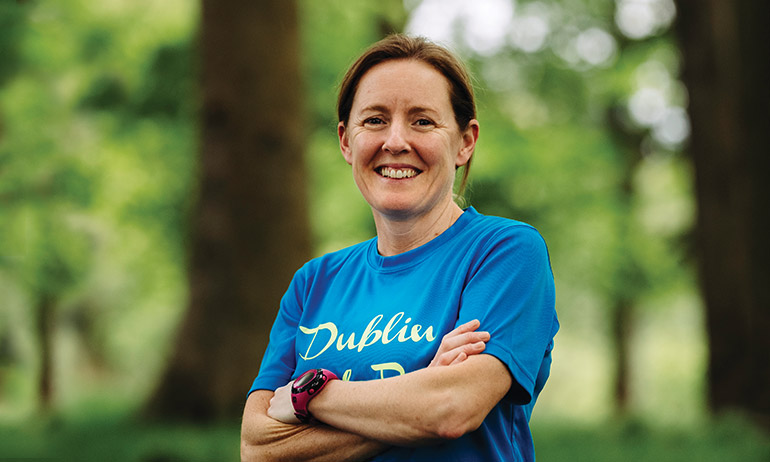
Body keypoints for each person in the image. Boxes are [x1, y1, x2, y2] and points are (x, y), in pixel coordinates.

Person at [240, 34, 559, 462]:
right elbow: (257, 449)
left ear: (465, 142)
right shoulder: (313, 283)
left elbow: (450, 410)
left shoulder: (505, 253)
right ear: (346, 141)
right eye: (374, 120)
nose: (395, 141)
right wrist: (422, 389)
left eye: (422, 121)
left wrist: (309, 394)